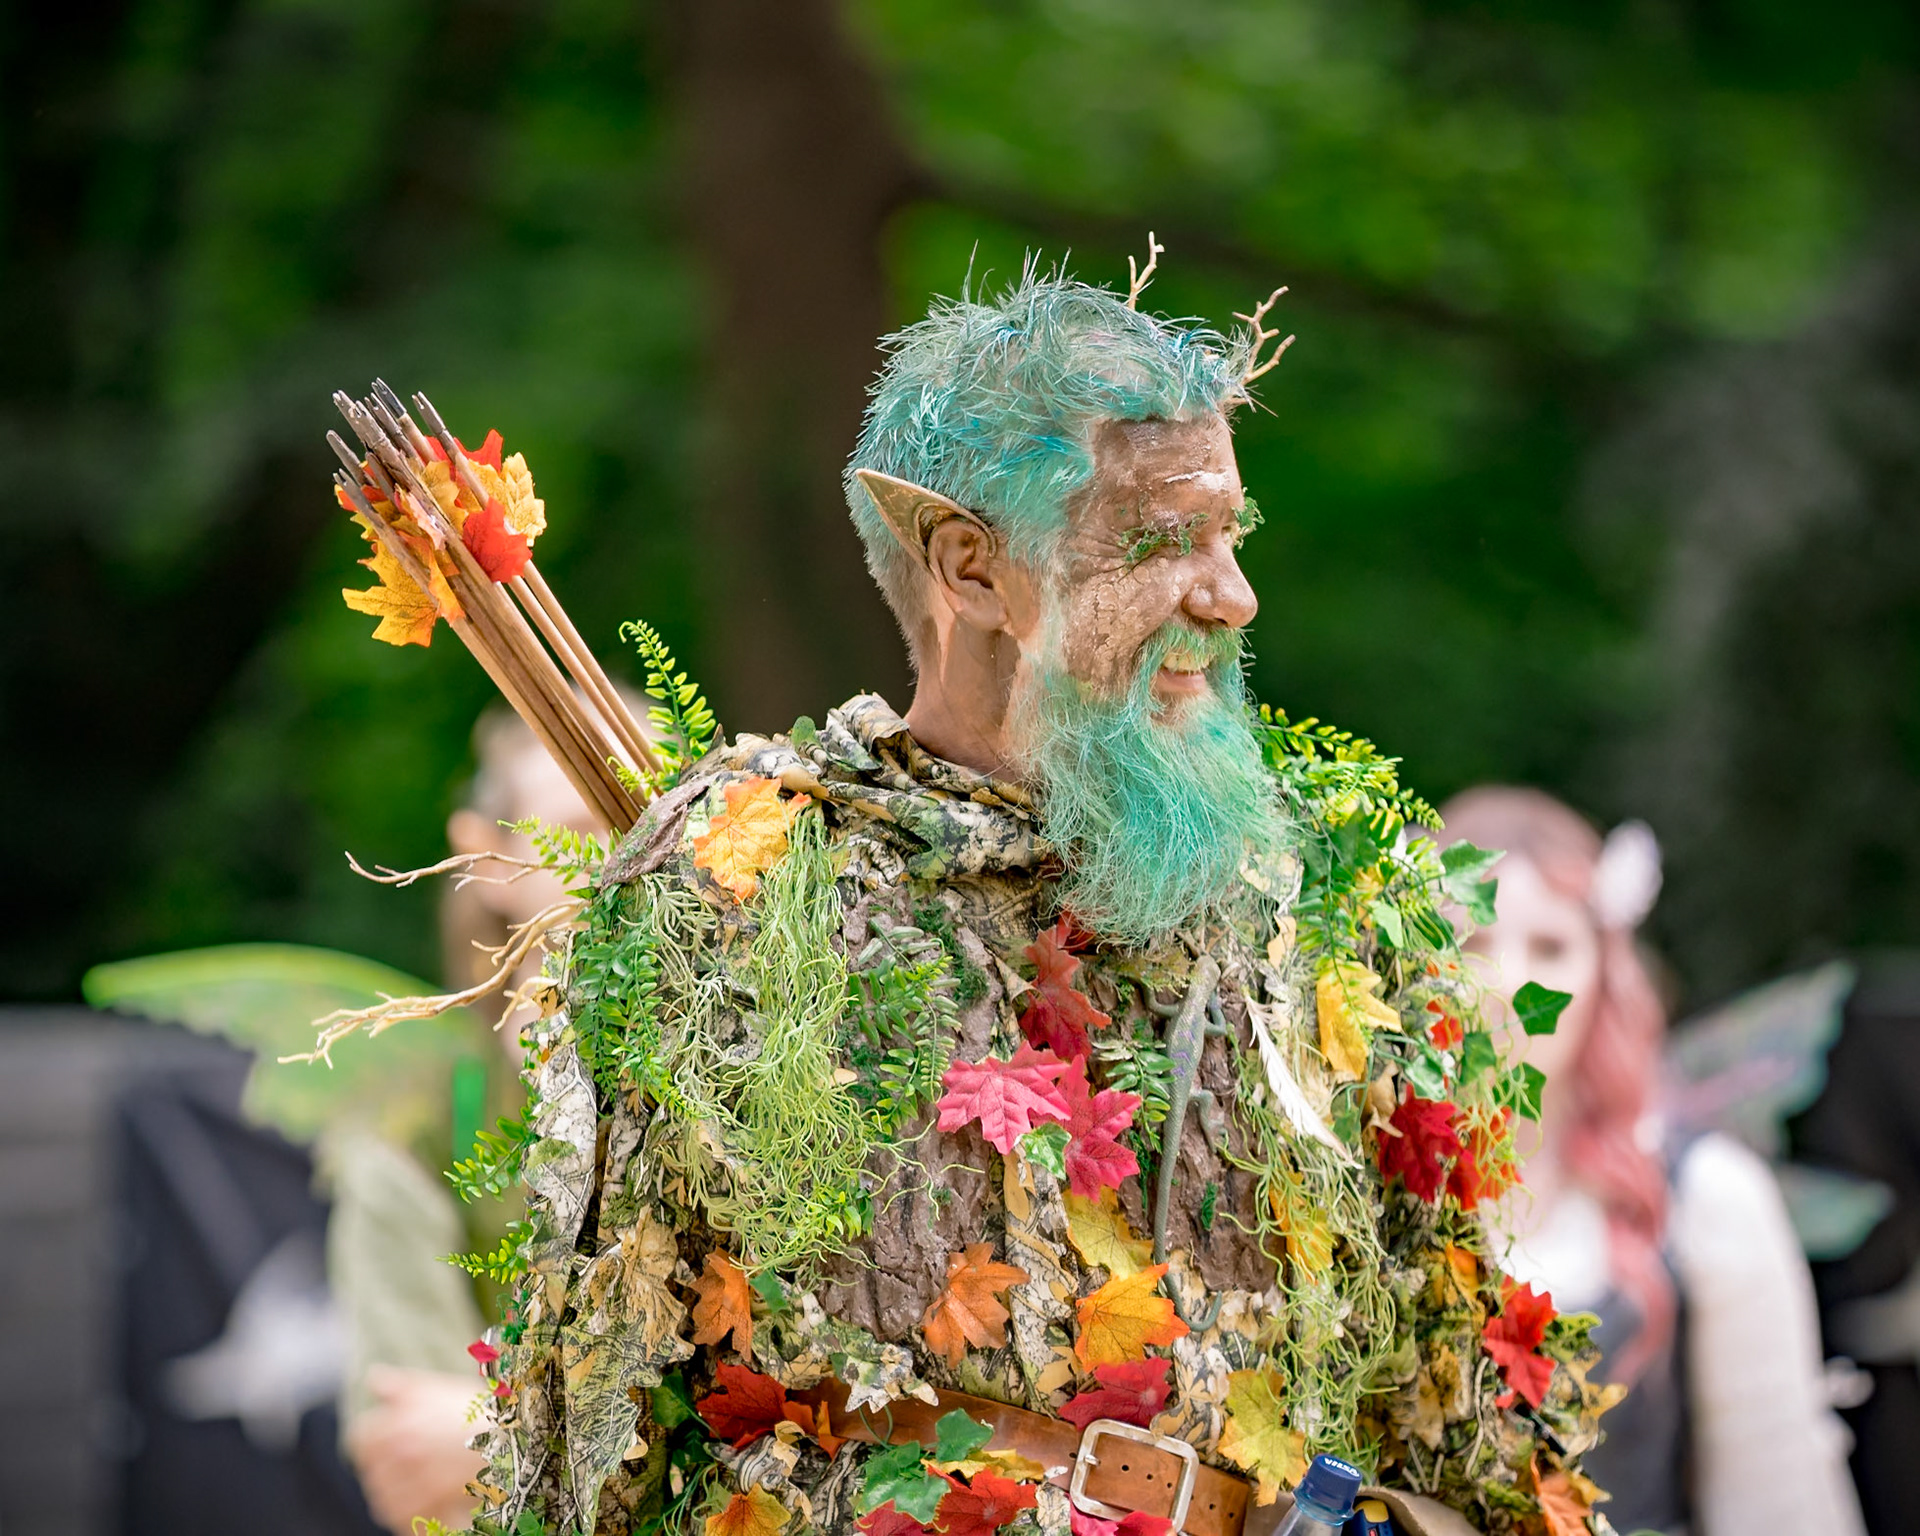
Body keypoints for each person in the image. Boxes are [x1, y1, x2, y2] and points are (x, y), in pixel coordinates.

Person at [360, 267, 1616, 1536]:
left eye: (1230, 535)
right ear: (969, 569)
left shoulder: (1319, 919)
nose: (1230, 596)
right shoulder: (738, 898)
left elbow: (1483, 1444)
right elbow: (598, 1443)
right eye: (1160, 541)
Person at [1437, 786, 1866, 1536]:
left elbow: (1779, 1507)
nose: (1505, 983)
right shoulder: (1357, 1190)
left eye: (1549, 947)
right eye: (1470, 942)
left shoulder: (1705, 1196)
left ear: (1604, 970)